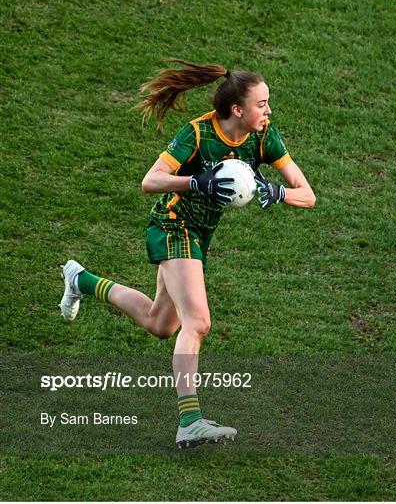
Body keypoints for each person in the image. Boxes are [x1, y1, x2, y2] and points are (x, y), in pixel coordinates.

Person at [59, 59, 316, 449]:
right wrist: (196, 181)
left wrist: (279, 192)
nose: (268, 111)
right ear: (237, 110)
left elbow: (307, 194)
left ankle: (80, 279)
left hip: (200, 233)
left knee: (160, 323)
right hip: (172, 223)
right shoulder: (196, 134)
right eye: (261, 104)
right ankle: (189, 421)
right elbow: (151, 181)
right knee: (197, 322)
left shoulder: (264, 138)